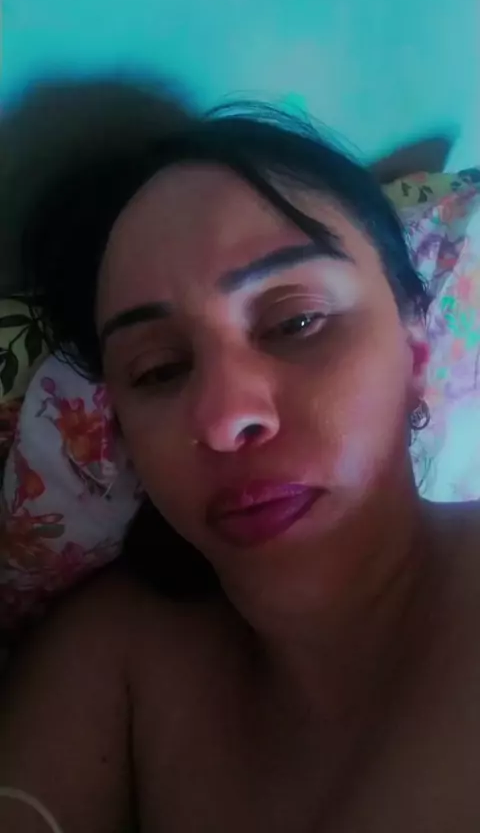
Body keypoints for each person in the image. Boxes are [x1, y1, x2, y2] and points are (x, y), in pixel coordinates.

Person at [1, 104, 480, 833]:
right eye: (159, 369)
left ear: (415, 360)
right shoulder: (115, 656)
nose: (226, 418)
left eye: (296, 322)